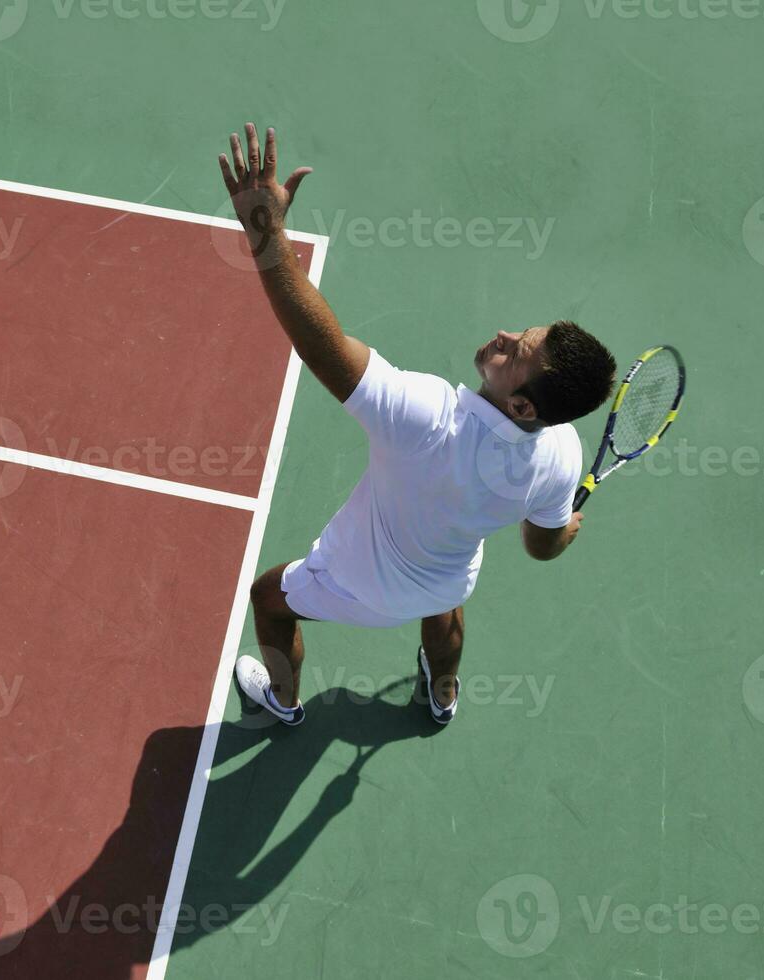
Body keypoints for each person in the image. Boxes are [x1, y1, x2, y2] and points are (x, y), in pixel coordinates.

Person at [218, 123, 616, 727]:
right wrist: (566, 531)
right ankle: (442, 695)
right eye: (523, 333)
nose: (506, 336)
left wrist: (266, 234)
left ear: (525, 406)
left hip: (359, 583)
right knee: (448, 613)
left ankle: (284, 701)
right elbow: (542, 546)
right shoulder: (562, 454)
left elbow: (322, 348)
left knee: (269, 601)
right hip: (448, 579)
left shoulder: (428, 418)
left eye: (517, 353)